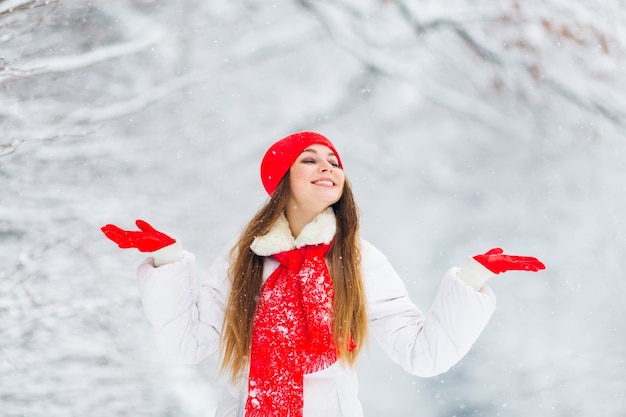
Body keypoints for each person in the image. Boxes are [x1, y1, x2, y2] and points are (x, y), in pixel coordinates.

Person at [101, 131, 545, 417]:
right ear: (283, 180)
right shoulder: (246, 258)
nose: (328, 167)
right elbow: (186, 345)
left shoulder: (358, 260)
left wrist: (470, 280)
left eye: (333, 161)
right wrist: (169, 261)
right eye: (309, 160)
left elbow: (422, 355)